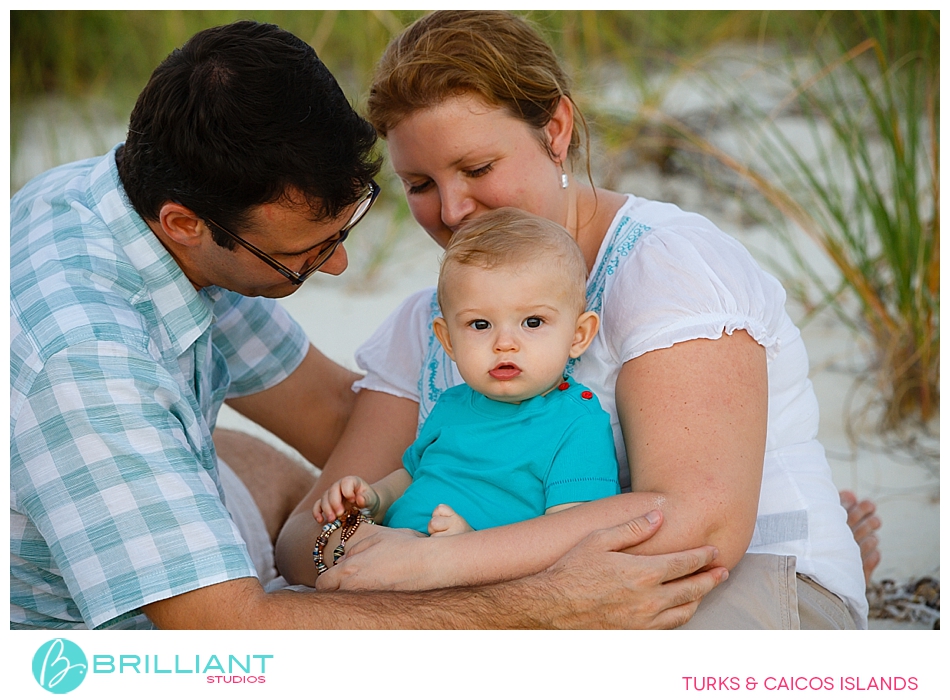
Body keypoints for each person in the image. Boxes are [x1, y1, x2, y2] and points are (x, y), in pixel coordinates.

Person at [10, 19, 727, 630]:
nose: (340, 266)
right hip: (80, 638)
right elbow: (225, 632)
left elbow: (332, 413)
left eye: (342, 226)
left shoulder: (131, 195)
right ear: (185, 224)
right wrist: (532, 606)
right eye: (302, 257)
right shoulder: (91, 358)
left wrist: (416, 505)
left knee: (251, 460)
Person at [276, 10, 873, 629]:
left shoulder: (665, 268)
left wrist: (433, 565)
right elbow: (302, 541)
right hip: (521, 604)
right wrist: (361, 540)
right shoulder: (429, 324)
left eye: (478, 169)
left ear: (556, 130)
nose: (452, 210)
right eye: (420, 183)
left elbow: (703, 521)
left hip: (739, 584)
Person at [313, 208, 620, 546]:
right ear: (448, 341)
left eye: (532, 322)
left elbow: (569, 535)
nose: (504, 343)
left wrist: (468, 545)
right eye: (480, 325)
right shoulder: (452, 403)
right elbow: (415, 474)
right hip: (394, 555)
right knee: (329, 547)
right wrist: (375, 498)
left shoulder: (576, 423)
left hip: (478, 581)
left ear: (578, 335)